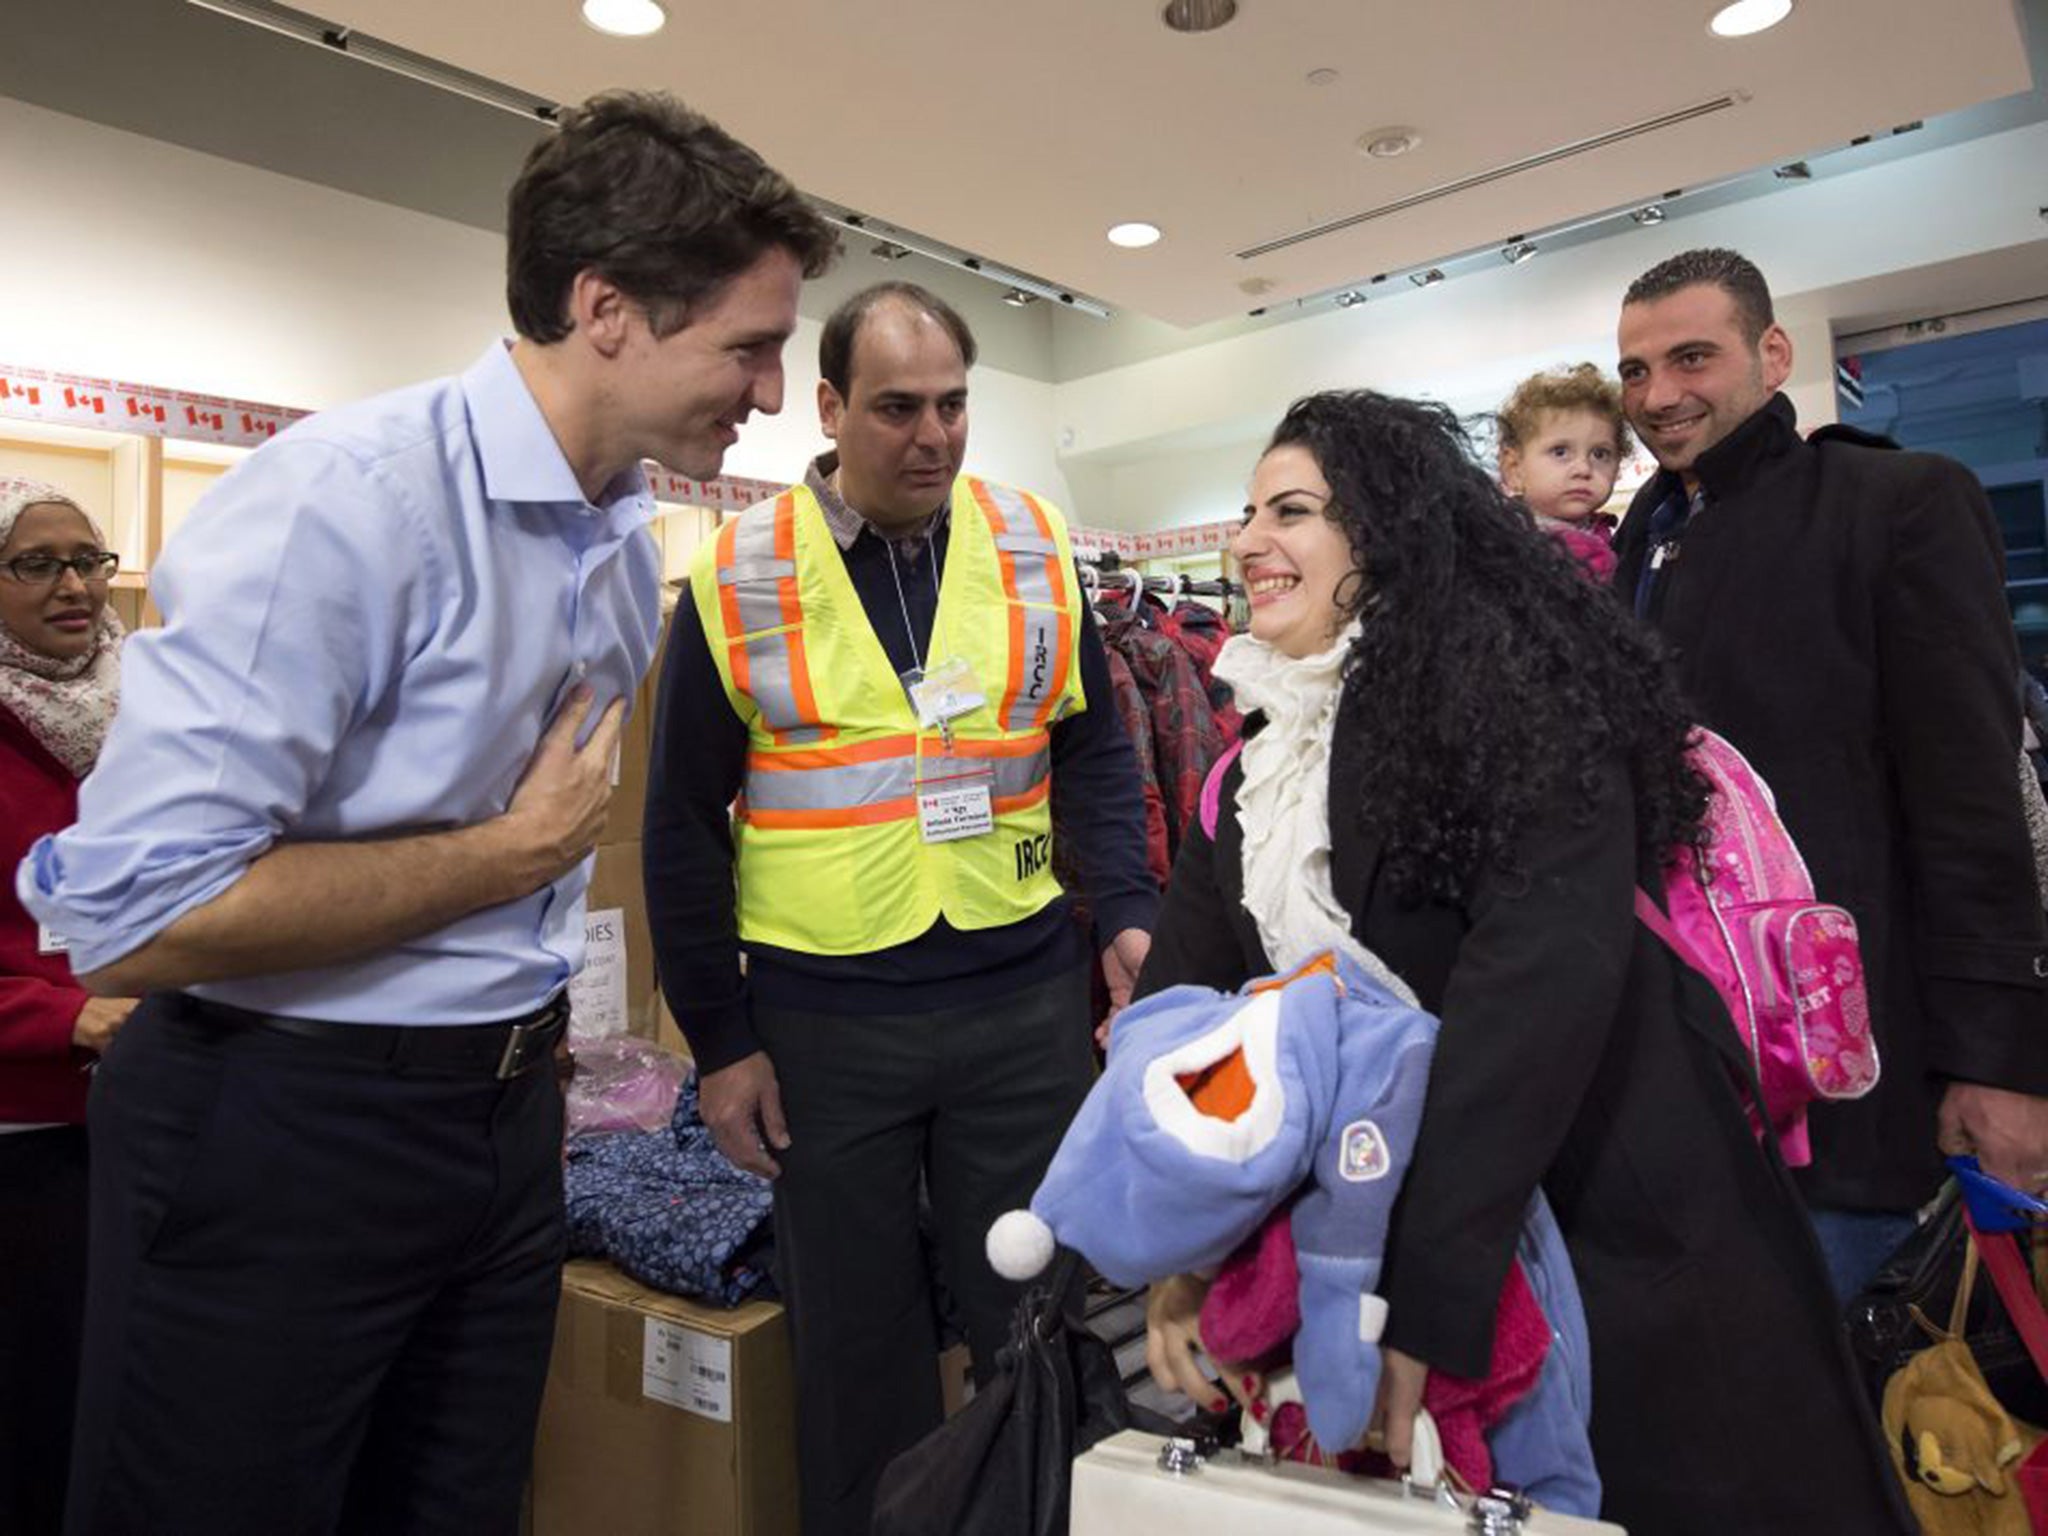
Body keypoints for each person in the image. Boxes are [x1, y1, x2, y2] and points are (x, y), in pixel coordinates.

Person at [17, 92, 837, 1536]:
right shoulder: (341, 510)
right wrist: (505, 859)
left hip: (505, 1117)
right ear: (606, 311)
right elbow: (133, 921)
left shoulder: (614, 531)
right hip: (285, 1123)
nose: (773, 394)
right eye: (750, 346)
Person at [1139, 391, 1910, 1533]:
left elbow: (1530, 1004)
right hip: (1381, 1249)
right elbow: (1189, 1017)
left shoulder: (1512, 708)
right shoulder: (1250, 768)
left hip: (1619, 1237)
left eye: (1290, 511)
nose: (1247, 540)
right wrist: (1178, 1245)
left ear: (1388, 531)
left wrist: (1424, 1299)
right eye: (1246, 512)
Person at [644, 280, 1158, 1536]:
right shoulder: (742, 570)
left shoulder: (1032, 541)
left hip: (1019, 995)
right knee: (857, 1344)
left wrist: (1132, 911)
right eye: (896, 410)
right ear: (827, 408)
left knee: (1039, 1313)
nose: (932, 436)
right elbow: (676, 823)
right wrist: (719, 1042)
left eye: (952, 405)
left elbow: (1091, 750)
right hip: (826, 1023)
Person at [1613, 247, 2048, 1298]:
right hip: (1674, 1088)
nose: (1657, 395)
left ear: (1770, 355)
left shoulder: (1892, 501)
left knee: (1857, 1418)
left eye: (1689, 358)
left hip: (1849, 1083)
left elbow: (1969, 802)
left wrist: (1999, 1062)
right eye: (1633, 371)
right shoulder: (1636, 548)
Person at [0, 479, 137, 1536]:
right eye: (36, 564)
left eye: (88, 559)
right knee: (35, 1413)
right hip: (23, 1130)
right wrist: (67, 1020)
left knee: (120, 1404)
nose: (75, 586)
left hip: (143, 1112)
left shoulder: (149, 707)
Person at [1494, 362, 1628, 581]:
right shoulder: (1512, 551)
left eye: (1600, 454)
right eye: (1560, 452)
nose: (1584, 469)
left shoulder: (1609, 534)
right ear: (1514, 468)